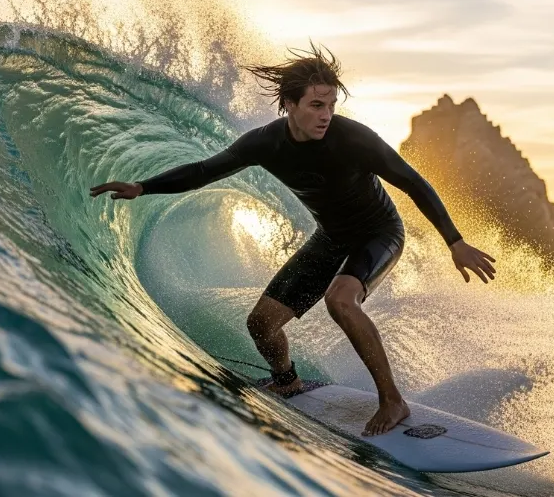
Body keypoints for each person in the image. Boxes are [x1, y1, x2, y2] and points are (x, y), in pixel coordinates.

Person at [90, 44, 496, 436]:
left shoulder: (352, 138)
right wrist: (142, 187)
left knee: (340, 300)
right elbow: (202, 171)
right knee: (262, 324)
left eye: (331, 105)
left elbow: (413, 182)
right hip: (332, 237)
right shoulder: (265, 143)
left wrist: (454, 241)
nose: (326, 115)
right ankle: (285, 382)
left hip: (379, 233)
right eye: (316, 106)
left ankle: (392, 400)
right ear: (289, 104)